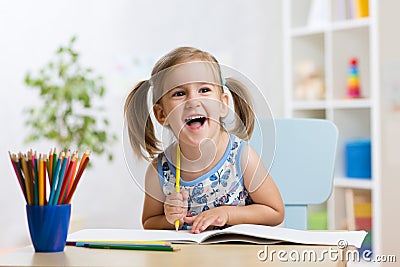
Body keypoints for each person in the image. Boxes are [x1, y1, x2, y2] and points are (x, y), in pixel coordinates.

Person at [124, 47, 284, 234]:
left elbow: (275, 212)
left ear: (223, 104)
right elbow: (150, 222)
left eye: (204, 90)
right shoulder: (159, 171)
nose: (193, 101)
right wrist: (169, 218)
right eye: (179, 93)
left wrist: (227, 214)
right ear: (162, 114)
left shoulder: (241, 157)